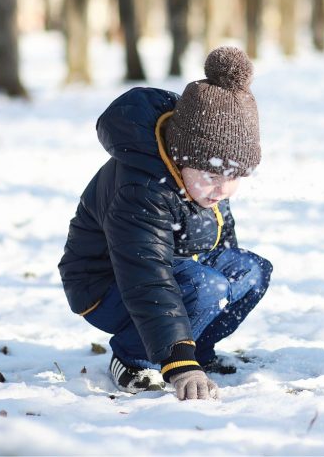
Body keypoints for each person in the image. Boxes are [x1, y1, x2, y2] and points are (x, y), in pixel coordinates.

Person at [59, 46, 272, 401]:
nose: (223, 188)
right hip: (108, 285)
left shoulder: (204, 181)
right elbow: (147, 277)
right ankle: (134, 358)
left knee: (249, 271)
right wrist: (178, 362)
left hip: (175, 270)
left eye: (235, 176)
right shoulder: (141, 188)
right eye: (212, 174)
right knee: (208, 287)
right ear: (181, 156)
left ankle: (196, 350)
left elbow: (221, 242)